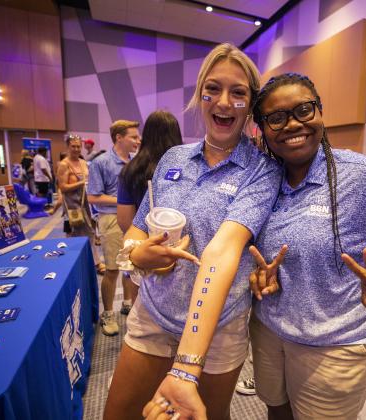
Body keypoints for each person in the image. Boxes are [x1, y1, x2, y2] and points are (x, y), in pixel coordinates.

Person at [236, 73, 366, 420]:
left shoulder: (365, 178)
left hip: (336, 344)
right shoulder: (262, 179)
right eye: (276, 118)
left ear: (320, 112)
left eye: (303, 110)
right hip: (268, 329)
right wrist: (257, 275)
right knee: (275, 412)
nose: (292, 124)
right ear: (263, 128)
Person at [105, 43, 280, 420]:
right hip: (153, 314)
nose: (223, 101)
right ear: (200, 95)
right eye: (213, 89)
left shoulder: (261, 170)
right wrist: (139, 255)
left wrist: (185, 367)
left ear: (250, 104)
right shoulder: (174, 158)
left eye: (238, 92)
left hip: (220, 329)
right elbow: (136, 230)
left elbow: (223, 252)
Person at [87, 120, 141, 335]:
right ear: (119, 137)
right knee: (112, 270)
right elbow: (92, 196)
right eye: (133, 137)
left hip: (132, 220)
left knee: (131, 266)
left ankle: (127, 303)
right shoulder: (101, 163)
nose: (138, 140)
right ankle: (108, 314)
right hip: (110, 220)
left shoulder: (135, 162)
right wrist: (122, 201)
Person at [117, 111, 183, 234]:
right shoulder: (186, 166)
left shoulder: (131, 170)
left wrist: (141, 241)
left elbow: (124, 220)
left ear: (146, 135)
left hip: (144, 243)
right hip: (181, 241)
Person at [57, 135, 105, 275]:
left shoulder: (83, 162)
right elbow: (63, 187)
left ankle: (92, 262)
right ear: (68, 146)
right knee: (74, 235)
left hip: (87, 204)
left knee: (89, 232)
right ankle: (80, 263)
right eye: (73, 146)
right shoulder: (64, 164)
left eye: (79, 146)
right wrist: (81, 183)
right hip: (73, 206)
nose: (77, 149)